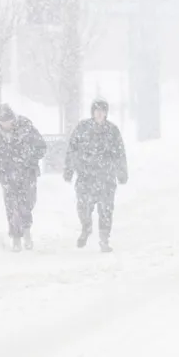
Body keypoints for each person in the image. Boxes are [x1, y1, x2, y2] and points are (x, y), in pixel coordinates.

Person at [64, 99, 128, 252]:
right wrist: (69, 169)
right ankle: (86, 228)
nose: (99, 113)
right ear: (92, 112)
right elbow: (72, 149)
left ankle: (104, 239)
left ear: (106, 113)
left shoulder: (112, 130)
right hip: (86, 176)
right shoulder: (82, 128)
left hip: (106, 177)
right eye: (96, 110)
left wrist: (122, 172)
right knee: (83, 207)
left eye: (102, 111)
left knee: (106, 210)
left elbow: (120, 153)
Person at [0, 104, 47, 251]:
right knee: (12, 206)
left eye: (8, 120)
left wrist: (30, 160)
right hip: (8, 176)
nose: (6, 124)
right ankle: (16, 238)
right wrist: (1, 165)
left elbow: (41, 147)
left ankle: (26, 230)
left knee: (27, 204)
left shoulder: (26, 129)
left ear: (13, 119)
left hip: (28, 175)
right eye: (3, 121)